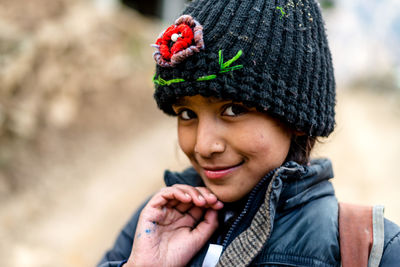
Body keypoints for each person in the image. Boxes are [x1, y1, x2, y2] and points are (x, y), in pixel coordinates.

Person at [98, 0, 400, 266]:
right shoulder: (155, 224)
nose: (204, 146)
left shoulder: (372, 251)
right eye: (187, 114)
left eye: (233, 110)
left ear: (296, 118)